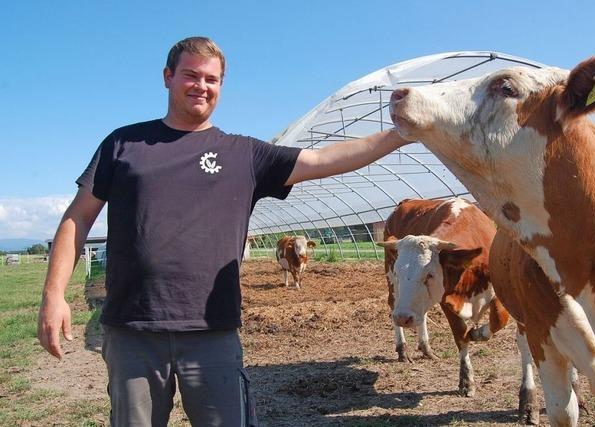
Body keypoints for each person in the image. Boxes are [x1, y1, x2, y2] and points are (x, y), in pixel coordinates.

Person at [37, 36, 408, 426]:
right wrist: (53, 294)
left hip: (212, 330)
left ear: (221, 85)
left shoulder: (243, 154)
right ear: (168, 77)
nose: (201, 86)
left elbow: (323, 158)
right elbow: (77, 218)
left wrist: (403, 131)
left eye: (212, 79)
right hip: (133, 328)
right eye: (190, 75)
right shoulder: (124, 144)